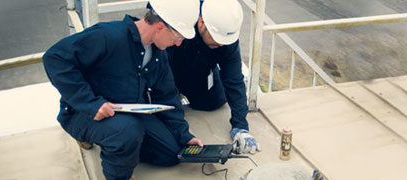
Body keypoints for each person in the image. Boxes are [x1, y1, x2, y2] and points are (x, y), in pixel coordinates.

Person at [42, 0, 202, 179]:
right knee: (126, 132)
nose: (178, 44)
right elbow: (55, 58)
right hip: (83, 114)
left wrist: (183, 135)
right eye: (178, 37)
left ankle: (119, 146)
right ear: (160, 27)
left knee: (172, 153)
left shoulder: (158, 54)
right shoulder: (108, 36)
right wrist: (90, 104)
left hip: (128, 112)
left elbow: (167, 96)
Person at [167, 0, 261, 154]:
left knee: (214, 102)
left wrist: (241, 127)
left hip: (202, 69)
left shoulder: (225, 33)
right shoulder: (181, 19)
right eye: (217, 39)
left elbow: (234, 80)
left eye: (225, 41)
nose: (222, 44)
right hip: (170, 68)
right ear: (202, 22)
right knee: (168, 115)